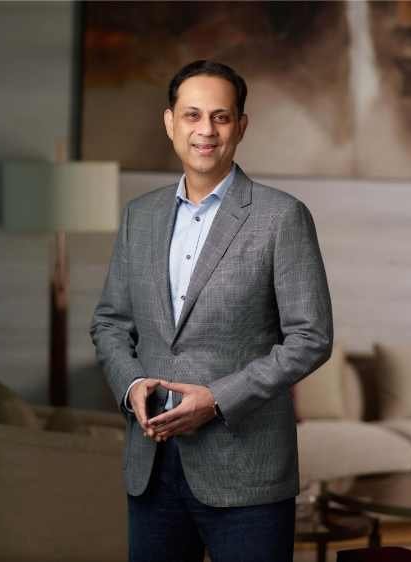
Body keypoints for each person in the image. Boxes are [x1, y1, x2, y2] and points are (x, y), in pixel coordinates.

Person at [90, 59, 333, 562]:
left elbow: (311, 337)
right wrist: (132, 386)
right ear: (170, 123)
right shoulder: (140, 216)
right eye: (192, 115)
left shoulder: (282, 217)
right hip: (152, 467)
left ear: (241, 126)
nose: (206, 130)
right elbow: (110, 322)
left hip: (247, 473)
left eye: (220, 117)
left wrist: (218, 399)